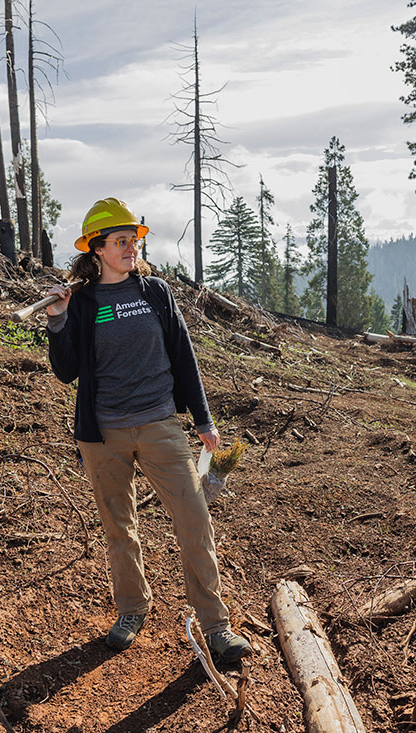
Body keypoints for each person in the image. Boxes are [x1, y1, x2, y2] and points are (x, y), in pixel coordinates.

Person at [44, 197, 252, 664]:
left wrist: (203, 421)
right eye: (120, 241)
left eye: (133, 240)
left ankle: (216, 626)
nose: (129, 248)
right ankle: (132, 609)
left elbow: (183, 356)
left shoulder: (154, 292)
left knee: (193, 519)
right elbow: (66, 371)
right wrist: (58, 320)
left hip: (160, 424)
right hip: (103, 435)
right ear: (97, 249)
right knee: (119, 527)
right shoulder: (84, 303)